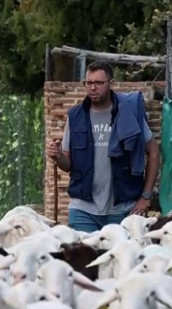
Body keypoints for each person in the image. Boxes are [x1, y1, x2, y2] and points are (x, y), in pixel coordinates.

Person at [48, 61, 159, 232]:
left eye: (98, 83)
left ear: (111, 84)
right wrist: (58, 157)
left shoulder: (128, 113)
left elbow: (153, 152)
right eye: (89, 83)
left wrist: (146, 196)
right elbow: (68, 163)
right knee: (83, 258)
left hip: (123, 211)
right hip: (82, 210)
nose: (93, 88)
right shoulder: (75, 117)